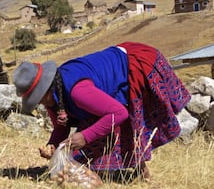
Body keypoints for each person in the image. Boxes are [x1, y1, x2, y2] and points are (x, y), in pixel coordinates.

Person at [13, 42, 191, 181]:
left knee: (130, 123)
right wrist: (52, 145)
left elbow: (118, 114)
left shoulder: (77, 91)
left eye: (39, 98)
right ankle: (136, 172)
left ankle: (141, 173)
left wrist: (85, 137)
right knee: (97, 129)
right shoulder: (54, 98)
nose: (40, 104)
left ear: (46, 90)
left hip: (137, 65)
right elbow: (61, 127)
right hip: (117, 73)